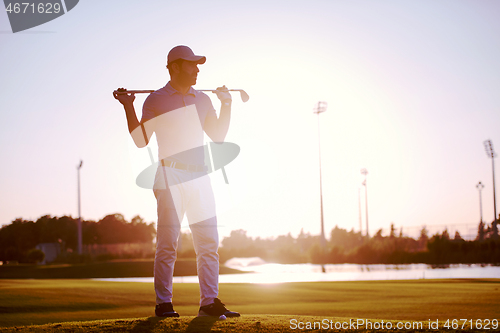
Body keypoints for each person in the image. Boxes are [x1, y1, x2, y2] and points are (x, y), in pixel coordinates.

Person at [114, 45, 240, 319]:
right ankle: (163, 304)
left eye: (198, 65)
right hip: (170, 175)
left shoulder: (203, 100)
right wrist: (128, 107)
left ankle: (209, 303)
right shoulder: (156, 100)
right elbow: (140, 140)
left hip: (200, 175)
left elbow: (218, 136)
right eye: (192, 64)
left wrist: (226, 104)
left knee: (208, 243)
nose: (197, 69)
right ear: (174, 67)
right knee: (168, 243)